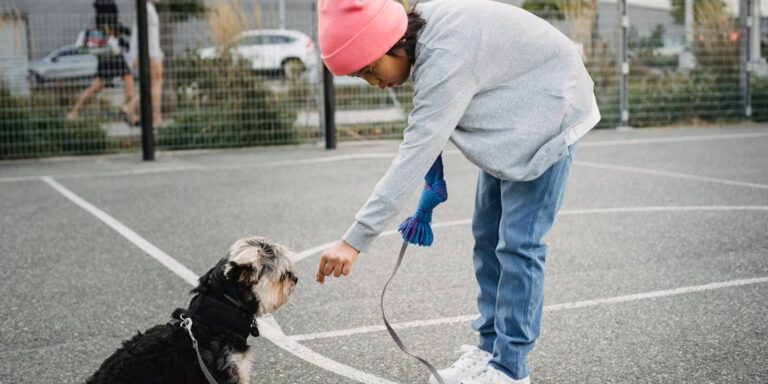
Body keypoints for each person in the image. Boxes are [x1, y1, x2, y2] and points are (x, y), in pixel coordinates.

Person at [314, 1, 601, 383]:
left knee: (519, 245)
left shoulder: (445, 53)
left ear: (394, 41)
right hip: (513, 117)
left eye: (370, 68)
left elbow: (417, 151)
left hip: (551, 113)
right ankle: (488, 352)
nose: (373, 81)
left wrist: (355, 239)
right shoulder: (424, 35)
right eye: (360, 76)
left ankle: (511, 370)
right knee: (487, 238)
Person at [67, 0, 134, 122]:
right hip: (114, 55)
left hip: (104, 56)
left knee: (96, 86)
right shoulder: (108, 6)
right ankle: (130, 112)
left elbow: (107, 29)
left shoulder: (99, 11)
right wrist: (125, 32)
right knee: (129, 81)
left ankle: (74, 112)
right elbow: (111, 28)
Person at [123, 0, 164, 127]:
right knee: (155, 85)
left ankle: (134, 108)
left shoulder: (145, 7)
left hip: (148, 52)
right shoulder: (146, 8)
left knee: (151, 85)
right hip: (150, 53)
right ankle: (155, 117)